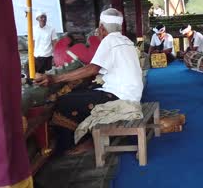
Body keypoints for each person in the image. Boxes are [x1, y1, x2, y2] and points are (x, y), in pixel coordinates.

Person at [34, 8, 144, 154]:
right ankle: (89, 138)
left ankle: (77, 143)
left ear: (102, 28)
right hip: (132, 93)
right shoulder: (126, 41)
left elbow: (93, 69)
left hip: (121, 96)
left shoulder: (109, 41)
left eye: (99, 27)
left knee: (65, 101)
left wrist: (55, 78)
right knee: (82, 92)